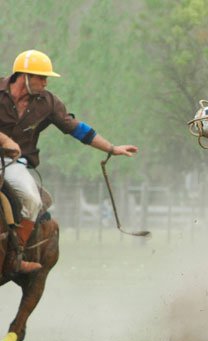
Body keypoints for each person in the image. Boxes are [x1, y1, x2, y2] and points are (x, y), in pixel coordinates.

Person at [0, 49, 138, 274]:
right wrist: (4, 138)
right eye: (41, 77)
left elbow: (78, 130)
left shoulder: (48, 103)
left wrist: (112, 148)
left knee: (32, 200)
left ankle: (14, 257)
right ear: (23, 76)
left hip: (14, 163)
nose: (45, 82)